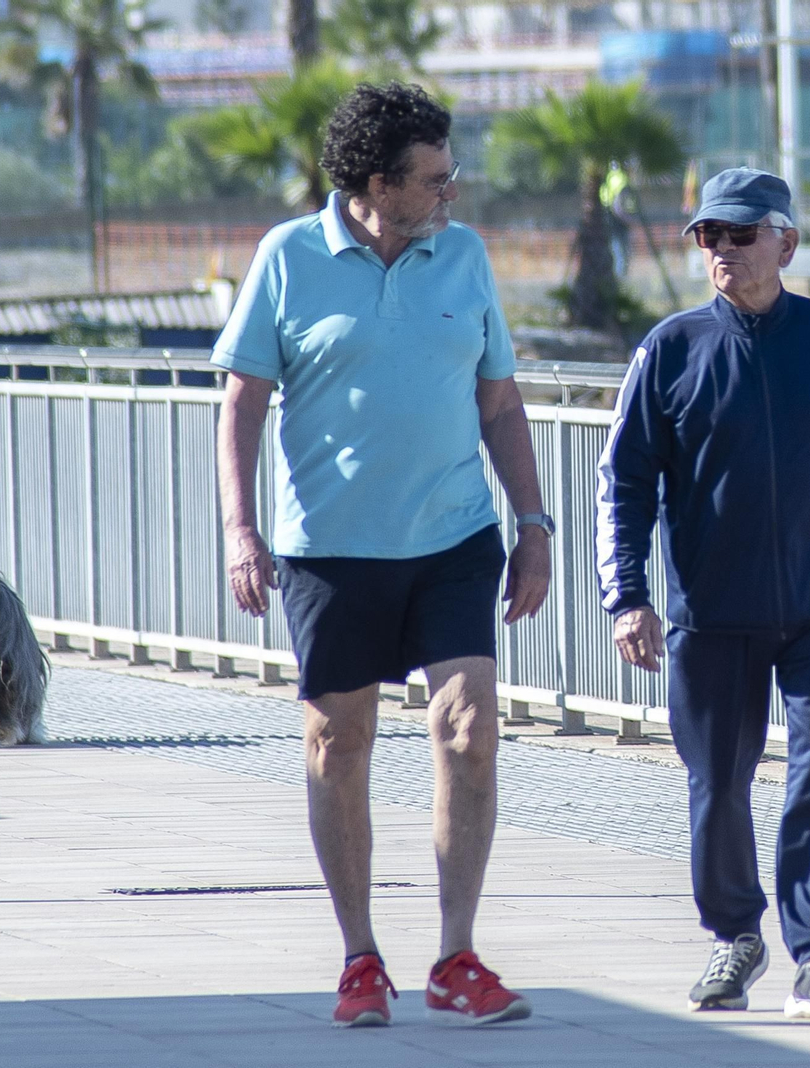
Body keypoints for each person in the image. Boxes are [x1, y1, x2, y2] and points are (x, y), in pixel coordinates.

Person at [211, 82, 552, 1029]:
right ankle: (360, 956)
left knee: (469, 731)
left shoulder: (465, 256)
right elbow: (239, 406)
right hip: (328, 550)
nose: (452, 192)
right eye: (434, 180)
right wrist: (243, 533)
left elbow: (499, 401)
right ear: (377, 183)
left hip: (452, 537)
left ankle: (456, 955)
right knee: (337, 745)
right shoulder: (288, 257)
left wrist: (533, 524)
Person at [594, 168, 810, 1020]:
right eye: (708, 237)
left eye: (739, 234)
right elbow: (623, 480)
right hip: (710, 611)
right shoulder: (670, 349)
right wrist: (627, 595)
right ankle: (734, 936)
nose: (722, 250)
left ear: (785, 241)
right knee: (717, 784)